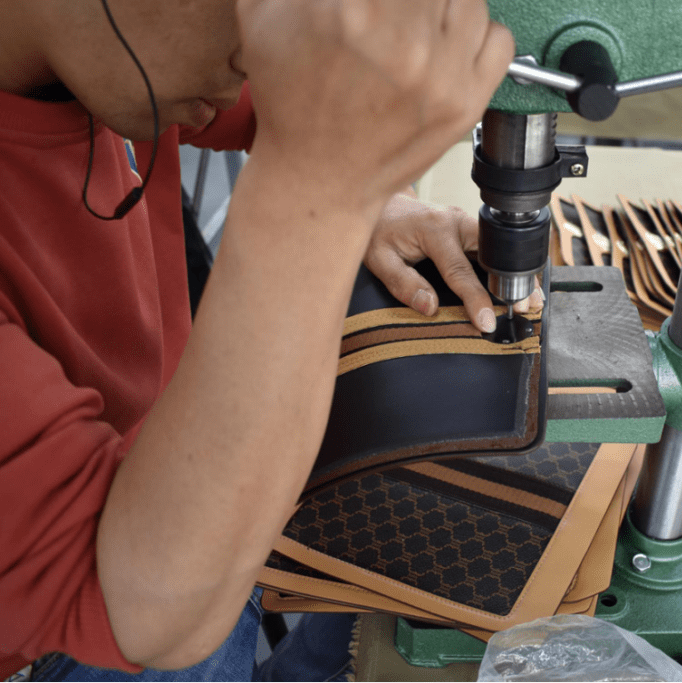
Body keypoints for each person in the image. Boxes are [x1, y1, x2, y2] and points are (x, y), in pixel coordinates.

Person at [0, 0, 532, 679]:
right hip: (101, 601)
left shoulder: (128, 47)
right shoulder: (149, 47)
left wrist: (374, 194)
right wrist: (322, 191)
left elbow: (299, 89)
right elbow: (143, 614)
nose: (260, 49)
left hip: (180, 485)